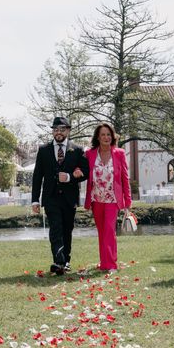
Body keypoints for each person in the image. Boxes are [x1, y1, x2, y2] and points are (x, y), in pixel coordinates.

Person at [31, 116, 89, 275]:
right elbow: (37, 176)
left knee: (67, 229)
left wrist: (71, 176)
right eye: (55, 129)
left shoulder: (77, 150)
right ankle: (58, 261)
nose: (58, 132)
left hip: (70, 198)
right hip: (50, 197)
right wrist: (35, 200)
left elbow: (85, 172)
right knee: (55, 228)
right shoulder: (43, 150)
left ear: (68, 130)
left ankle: (66, 261)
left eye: (62, 129)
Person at [83, 123, 131, 272]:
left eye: (108, 134)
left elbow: (125, 178)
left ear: (112, 136)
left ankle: (111, 264)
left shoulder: (119, 153)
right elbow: (82, 169)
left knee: (109, 230)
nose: (106, 137)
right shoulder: (90, 154)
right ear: (98, 137)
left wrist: (128, 200)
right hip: (96, 199)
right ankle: (104, 262)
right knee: (101, 231)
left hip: (112, 199)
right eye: (103, 134)